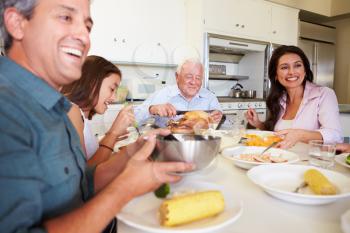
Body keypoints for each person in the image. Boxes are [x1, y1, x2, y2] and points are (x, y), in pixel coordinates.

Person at [0, 1, 193, 233]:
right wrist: (124, 189)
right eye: (66, 17)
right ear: (17, 23)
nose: (84, 36)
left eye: (88, 26)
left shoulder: (57, 108)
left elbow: (80, 186)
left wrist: (128, 155)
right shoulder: (7, 110)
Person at [245, 45, 342, 148]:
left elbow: (336, 135)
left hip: (311, 162)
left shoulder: (324, 94)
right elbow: (276, 134)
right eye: (284, 67)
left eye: (297, 65)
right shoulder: (279, 99)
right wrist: (258, 124)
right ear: (276, 75)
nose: (291, 72)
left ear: (305, 70)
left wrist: (300, 135)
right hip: (281, 159)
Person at [61, 55, 135, 166]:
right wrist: (112, 134)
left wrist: (109, 139)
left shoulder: (81, 115)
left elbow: (87, 156)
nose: (114, 98)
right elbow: (82, 175)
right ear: (92, 82)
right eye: (112, 89)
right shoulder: (71, 111)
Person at [135, 58, 223, 127]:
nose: (193, 82)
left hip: (201, 145)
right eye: (189, 76)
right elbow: (134, 119)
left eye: (198, 78)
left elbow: (223, 126)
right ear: (177, 77)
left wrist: (219, 120)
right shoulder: (163, 94)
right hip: (170, 145)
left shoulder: (210, 97)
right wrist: (151, 109)